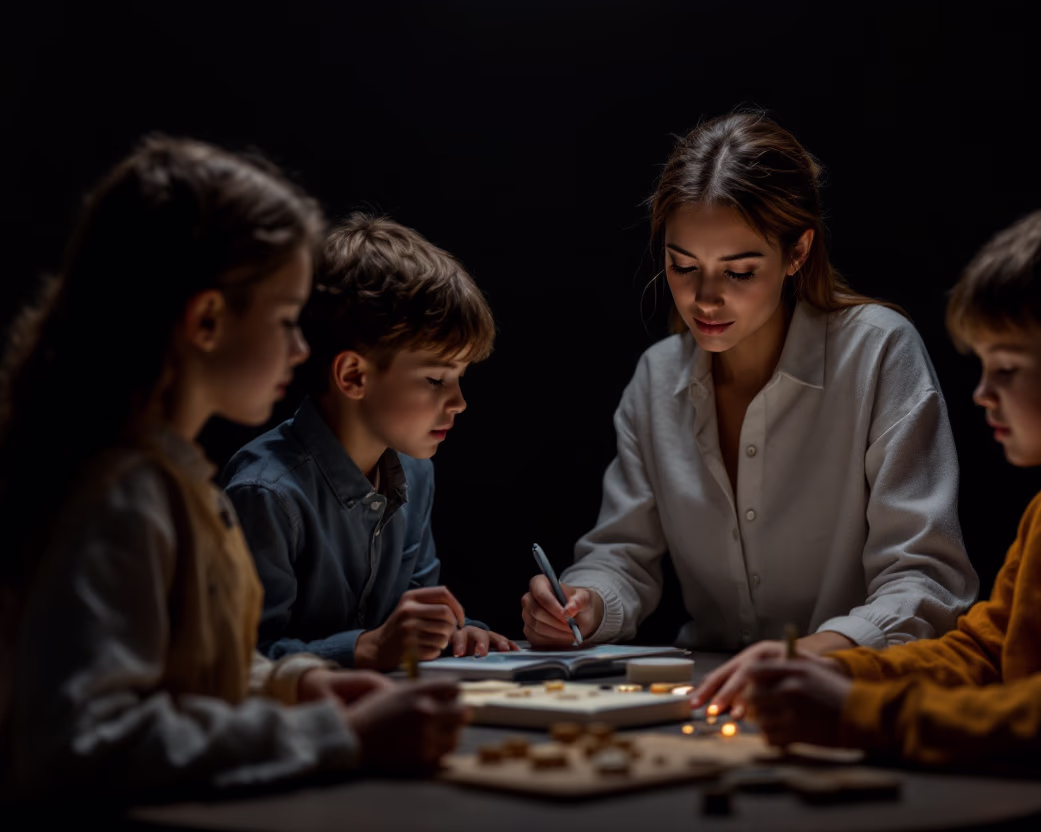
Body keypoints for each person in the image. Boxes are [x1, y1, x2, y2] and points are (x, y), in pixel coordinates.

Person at [0, 137, 465, 803]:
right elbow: (81, 740)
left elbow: (187, 675)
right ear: (209, 320)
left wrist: (297, 683)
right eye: (284, 319)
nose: (301, 346)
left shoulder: (171, 481)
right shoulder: (117, 496)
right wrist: (337, 736)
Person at [746, 194, 1041, 787]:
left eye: (1008, 369)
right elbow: (988, 653)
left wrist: (859, 713)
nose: (982, 394)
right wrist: (840, 675)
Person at [521, 111, 977, 716]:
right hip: (701, 696)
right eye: (683, 266)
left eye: (738, 272)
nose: (705, 299)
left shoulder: (878, 352)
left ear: (798, 252)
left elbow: (925, 579)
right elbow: (624, 556)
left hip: (850, 696)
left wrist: (807, 655)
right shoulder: (658, 378)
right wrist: (583, 603)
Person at [222, 213, 518, 670]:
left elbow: (416, 616)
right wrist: (365, 647)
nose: (459, 402)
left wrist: (455, 633)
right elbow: (237, 663)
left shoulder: (416, 473)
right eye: (436, 379)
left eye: (460, 378)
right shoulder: (266, 495)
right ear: (354, 376)